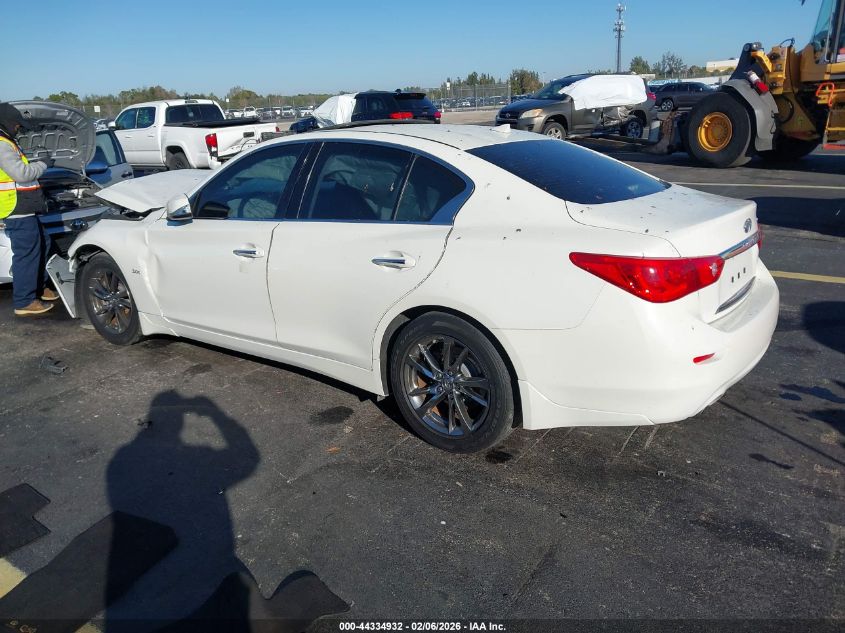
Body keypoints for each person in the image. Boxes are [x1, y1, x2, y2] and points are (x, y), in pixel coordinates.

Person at [0, 102, 58, 316]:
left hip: (25, 207)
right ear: (6, 123)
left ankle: (39, 288)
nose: (19, 128)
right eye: (16, 124)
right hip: (16, 208)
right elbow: (22, 174)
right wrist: (43, 164)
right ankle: (24, 301)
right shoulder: (2, 145)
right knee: (26, 254)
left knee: (43, 243)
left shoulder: (8, 142)